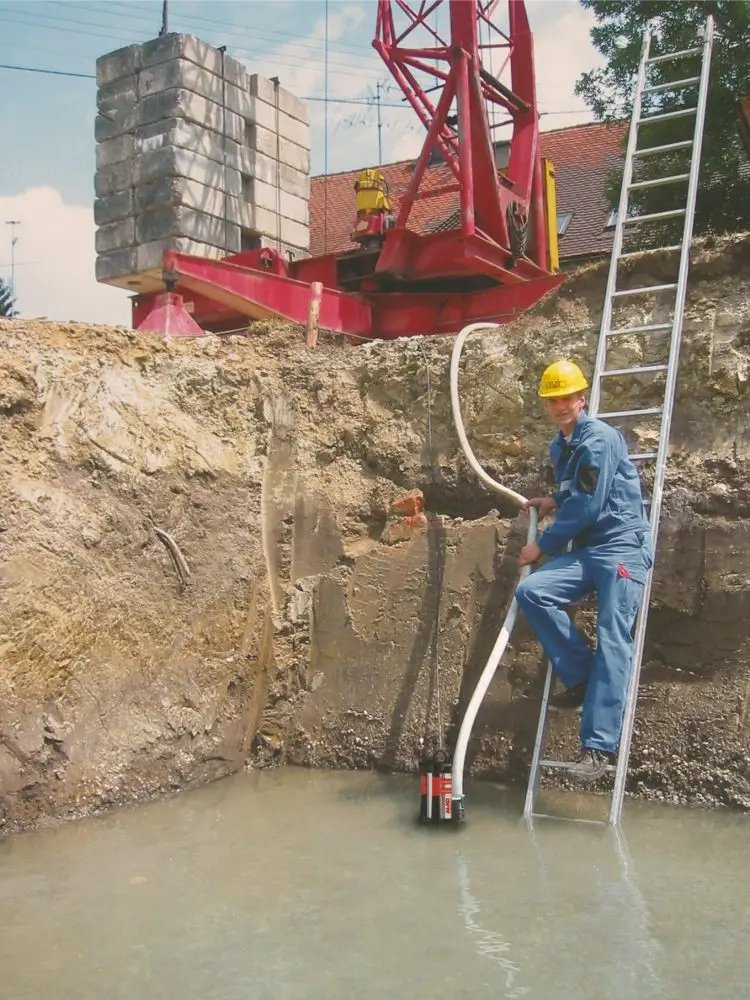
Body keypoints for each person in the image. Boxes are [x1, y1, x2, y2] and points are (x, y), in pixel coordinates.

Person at [515, 360, 653, 781]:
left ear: (582, 398)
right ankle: (582, 678)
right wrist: (551, 501)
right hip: (592, 551)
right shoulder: (562, 446)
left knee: (614, 636)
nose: (559, 406)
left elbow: (590, 503)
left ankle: (598, 749)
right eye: (551, 399)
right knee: (533, 592)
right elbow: (576, 492)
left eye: (566, 398)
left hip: (623, 550)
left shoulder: (600, 440)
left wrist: (543, 545)